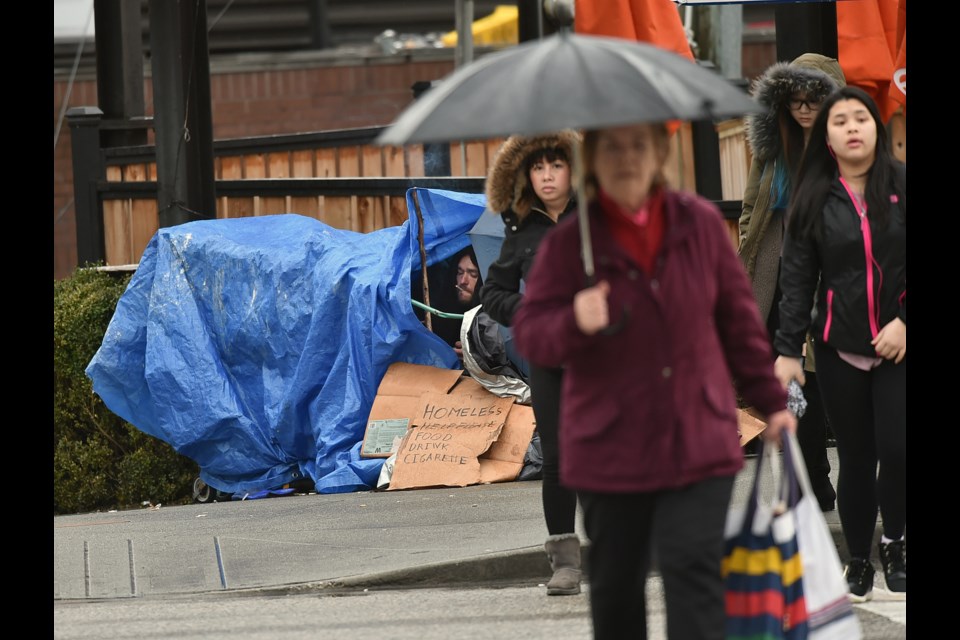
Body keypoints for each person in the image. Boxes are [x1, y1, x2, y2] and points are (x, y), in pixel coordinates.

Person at [511, 122, 797, 639]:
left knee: (694, 575)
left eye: (638, 144)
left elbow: (739, 323)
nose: (626, 157)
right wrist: (574, 318)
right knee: (618, 588)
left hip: (697, 439)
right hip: (609, 448)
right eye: (612, 147)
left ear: (661, 152)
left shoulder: (700, 224)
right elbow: (532, 334)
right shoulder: (570, 242)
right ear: (593, 160)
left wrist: (772, 403)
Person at [773, 85, 906, 602]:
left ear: (877, 127)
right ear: (826, 136)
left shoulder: (900, 184)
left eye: (861, 119)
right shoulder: (812, 197)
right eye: (840, 121)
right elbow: (797, 281)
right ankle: (857, 558)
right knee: (855, 455)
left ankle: (894, 541)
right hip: (837, 346)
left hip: (897, 346)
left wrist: (903, 322)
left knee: (897, 450)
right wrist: (787, 351)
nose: (852, 128)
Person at [739, 53, 846, 512]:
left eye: (813, 99)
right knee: (791, 384)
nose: (803, 109)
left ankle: (848, 473)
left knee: (831, 380)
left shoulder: (846, 149)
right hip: (777, 278)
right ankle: (812, 479)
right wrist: (749, 241)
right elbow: (751, 208)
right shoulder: (773, 147)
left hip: (832, 279)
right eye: (795, 99)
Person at [479, 130, 582, 595]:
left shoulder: (599, 220)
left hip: (601, 357)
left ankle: (622, 546)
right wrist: (525, 312)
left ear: (572, 170)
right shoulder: (521, 231)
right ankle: (564, 563)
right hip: (550, 359)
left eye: (555, 166)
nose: (546, 176)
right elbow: (493, 292)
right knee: (559, 462)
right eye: (537, 168)